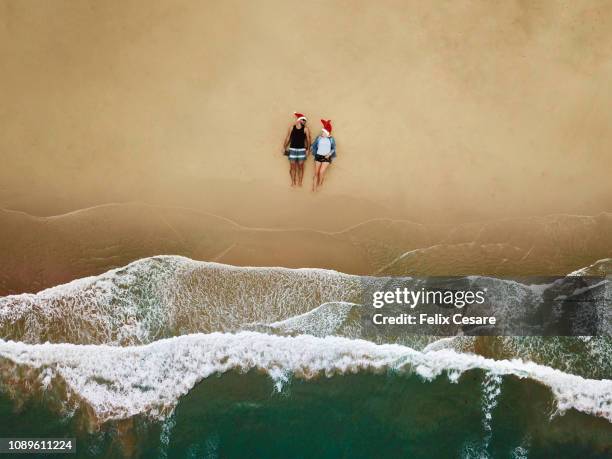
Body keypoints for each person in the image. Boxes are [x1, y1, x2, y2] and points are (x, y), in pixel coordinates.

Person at [282, 112, 311, 187]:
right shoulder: (292, 128)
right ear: (299, 120)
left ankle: (300, 181)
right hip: (292, 149)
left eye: (305, 120)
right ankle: (293, 181)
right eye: (303, 120)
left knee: (301, 167)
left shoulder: (306, 129)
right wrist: (284, 147)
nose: (304, 122)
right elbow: (288, 138)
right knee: (292, 167)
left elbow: (308, 140)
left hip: (302, 150)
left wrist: (308, 150)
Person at [311, 119, 336, 192]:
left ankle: (320, 182)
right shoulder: (319, 138)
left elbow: (333, 148)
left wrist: (329, 154)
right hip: (318, 156)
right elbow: (314, 145)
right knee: (316, 173)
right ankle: (314, 187)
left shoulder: (331, 139)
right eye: (322, 131)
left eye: (323, 132)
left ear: (327, 133)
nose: (322, 132)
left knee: (321, 172)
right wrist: (310, 148)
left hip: (326, 157)